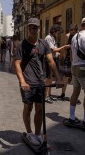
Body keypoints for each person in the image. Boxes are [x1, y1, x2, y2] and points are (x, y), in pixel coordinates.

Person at [13, 18, 64, 146]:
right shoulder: (21, 45)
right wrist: (22, 81)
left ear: (39, 29)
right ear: (27, 28)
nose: (32, 29)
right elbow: (17, 64)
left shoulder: (43, 44)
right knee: (28, 108)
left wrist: (57, 78)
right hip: (27, 82)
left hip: (40, 81)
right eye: (30, 27)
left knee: (40, 109)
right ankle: (29, 133)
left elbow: (51, 61)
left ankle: (37, 134)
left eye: (35, 27)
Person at [44, 25, 70, 103]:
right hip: (49, 60)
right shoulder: (48, 38)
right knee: (48, 78)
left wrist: (59, 53)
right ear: (54, 31)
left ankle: (49, 94)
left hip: (54, 59)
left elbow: (55, 50)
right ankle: (46, 95)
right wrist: (64, 47)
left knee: (51, 78)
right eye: (58, 33)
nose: (58, 34)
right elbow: (53, 49)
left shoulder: (53, 38)